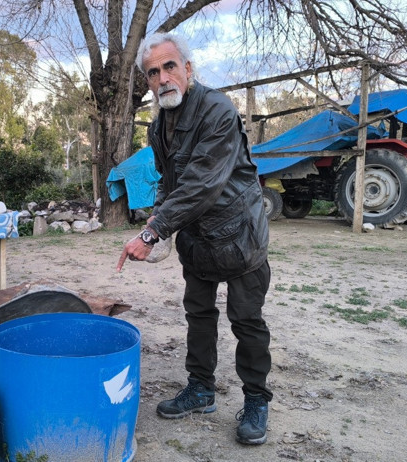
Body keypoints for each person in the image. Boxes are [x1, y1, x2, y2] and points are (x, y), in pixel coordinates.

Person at [116, 32, 272, 445]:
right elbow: (172, 182)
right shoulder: (158, 126)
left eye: (170, 67)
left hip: (239, 233)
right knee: (198, 314)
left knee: (246, 319)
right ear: (148, 82)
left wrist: (153, 232)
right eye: (153, 72)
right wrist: (160, 215)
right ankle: (200, 389)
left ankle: (256, 399)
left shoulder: (218, 111)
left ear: (188, 68)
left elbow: (202, 183)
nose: (163, 78)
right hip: (198, 238)